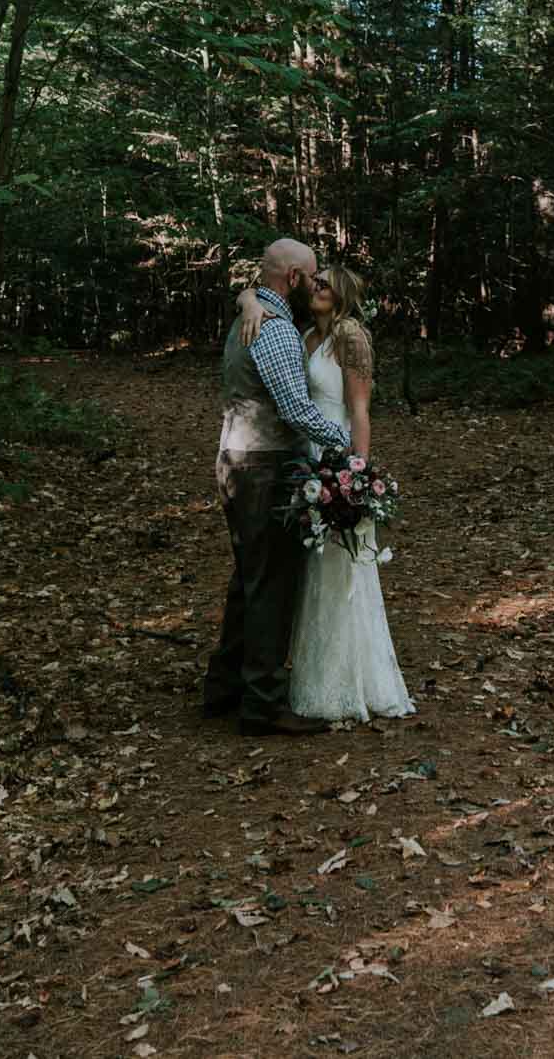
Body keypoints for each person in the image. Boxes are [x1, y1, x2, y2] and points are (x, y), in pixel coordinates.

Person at [238, 266, 414, 723]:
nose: (315, 287)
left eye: (324, 283)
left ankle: (350, 682)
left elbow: (360, 411)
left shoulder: (351, 337)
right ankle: (311, 678)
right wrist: (248, 299)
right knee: (311, 574)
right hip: (305, 459)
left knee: (343, 572)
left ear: (341, 295)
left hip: (337, 459)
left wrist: (357, 473)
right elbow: (248, 294)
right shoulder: (303, 335)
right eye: (313, 281)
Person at [201, 238, 354, 737]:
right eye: (310, 278)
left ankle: (224, 688)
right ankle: (262, 705)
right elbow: (295, 410)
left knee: (249, 578)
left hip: (236, 458)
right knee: (271, 583)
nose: (314, 286)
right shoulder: (276, 331)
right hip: (264, 466)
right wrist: (345, 444)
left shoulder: (250, 315)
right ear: (292, 278)